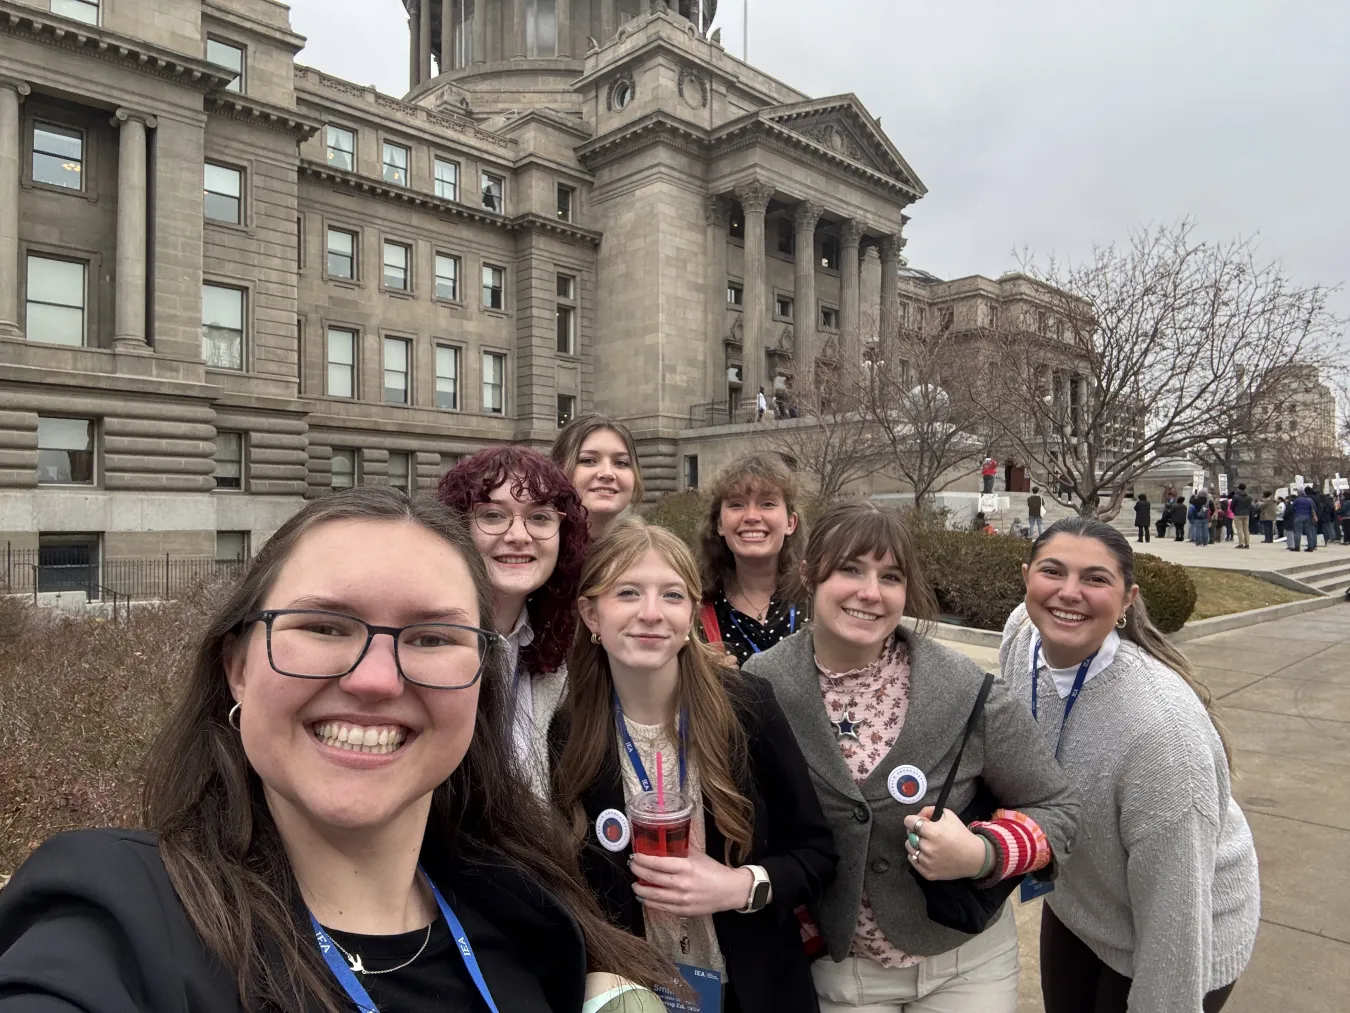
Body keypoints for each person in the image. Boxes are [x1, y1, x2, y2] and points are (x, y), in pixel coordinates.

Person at [0, 488, 674, 1012]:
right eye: (323, 625)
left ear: (478, 682)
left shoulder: (529, 920)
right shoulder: (119, 917)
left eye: (433, 637)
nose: (376, 678)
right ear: (238, 666)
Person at [746, 502, 1079, 1012]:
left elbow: (1059, 810)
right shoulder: (760, 685)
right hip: (838, 971)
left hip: (966, 965)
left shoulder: (970, 691)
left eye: (891, 576)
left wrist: (982, 852)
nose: (870, 592)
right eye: (850, 569)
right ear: (810, 574)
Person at [550, 519, 838, 1013]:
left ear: (691, 616)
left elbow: (816, 853)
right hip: (639, 996)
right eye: (627, 593)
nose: (650, 613)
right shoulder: (569, 733)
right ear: (590, 614)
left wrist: (739, 886)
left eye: (672, 595)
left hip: (755, 992)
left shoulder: (747, 706)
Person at [1001, 518, 1260, 1013]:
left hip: (1177, 925)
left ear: (1127, 599)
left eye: (1095, 579)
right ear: (1026, 576)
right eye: (1052, 571)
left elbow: (1176, 917)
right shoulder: (1021, 635)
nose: (1069, 593)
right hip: (1082, 894)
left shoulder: (1161, 734)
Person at [438, 446, 589, 796]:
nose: (519, 536)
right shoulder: (421, 646)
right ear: (456, 528)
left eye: (539, 518)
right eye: (492, 516)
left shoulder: (559, 656)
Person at [699, 453, 808, 667]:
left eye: (767, 504)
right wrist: (698, 676)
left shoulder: (816, 599)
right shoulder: (693, 607)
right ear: (720, 524)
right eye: (737, 504)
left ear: (790, 522)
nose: (751, 516)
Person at [553, 414, 645, 541]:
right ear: (558, 468)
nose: (607, 473)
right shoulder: (530, 546)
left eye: (621, 463)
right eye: (589, 460)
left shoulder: (648, 554)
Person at [1287, 486, 1318, 552]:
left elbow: (1292, 508)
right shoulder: (1309, 500)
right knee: (1309, 533)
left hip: (1298, 517)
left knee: (1298, 532)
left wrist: (1295, 512)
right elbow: (1313, 508)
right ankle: (1310, 547)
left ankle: (1297, 547)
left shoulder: (1297, 500)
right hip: (1307, 517)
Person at [1231, 484, 1252, 549]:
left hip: (1238, 514)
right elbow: (1250, 506)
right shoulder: (1249, 497)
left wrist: (1234, 511)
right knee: (1246, 530)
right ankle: (1247, 544)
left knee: (1239, 529)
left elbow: (1232, 506)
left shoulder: (1236, 496)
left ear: (1239, 488)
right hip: (1246, 514)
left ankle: (1241, 543)